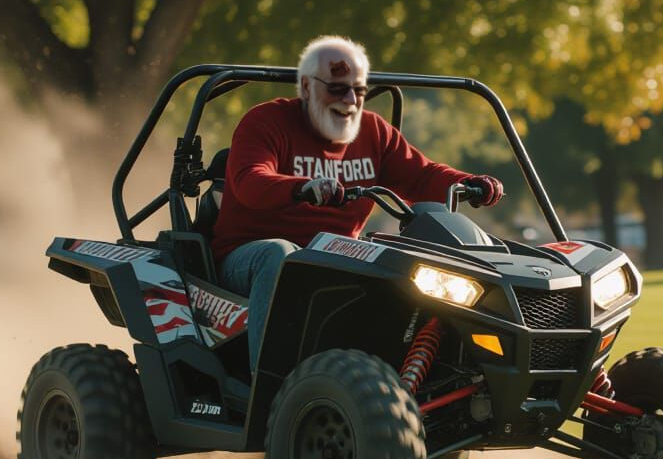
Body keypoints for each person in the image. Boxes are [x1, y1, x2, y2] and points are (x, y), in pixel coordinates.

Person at [210, 35, 504, 370]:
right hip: (248, 257)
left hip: (333, 256)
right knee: (282, 255)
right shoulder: (265, 122)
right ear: (306, 87)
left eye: (359, 91)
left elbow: (422, 177)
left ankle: (407, 378)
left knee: (404, 265)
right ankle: (272, 391)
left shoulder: (374, 132)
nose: (350, 100)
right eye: (337, 89)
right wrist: (303, 187)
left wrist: (468, 183)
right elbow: (250, 182)